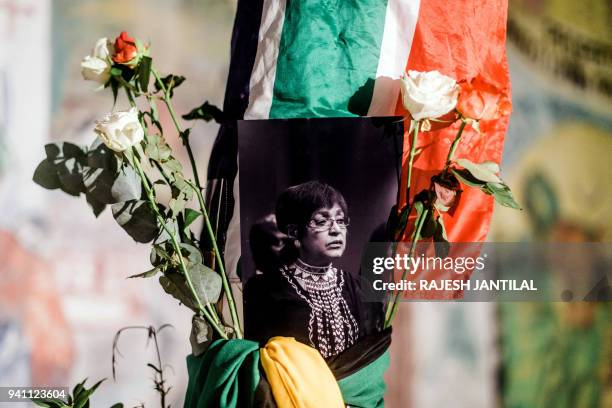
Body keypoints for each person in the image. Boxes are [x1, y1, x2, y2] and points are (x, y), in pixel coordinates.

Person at [244, 181, 367, 358]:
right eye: (321, 221)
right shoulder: (263, 289)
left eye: (340, 220)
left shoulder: (355, 286)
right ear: (294, 231)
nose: (336, 230)